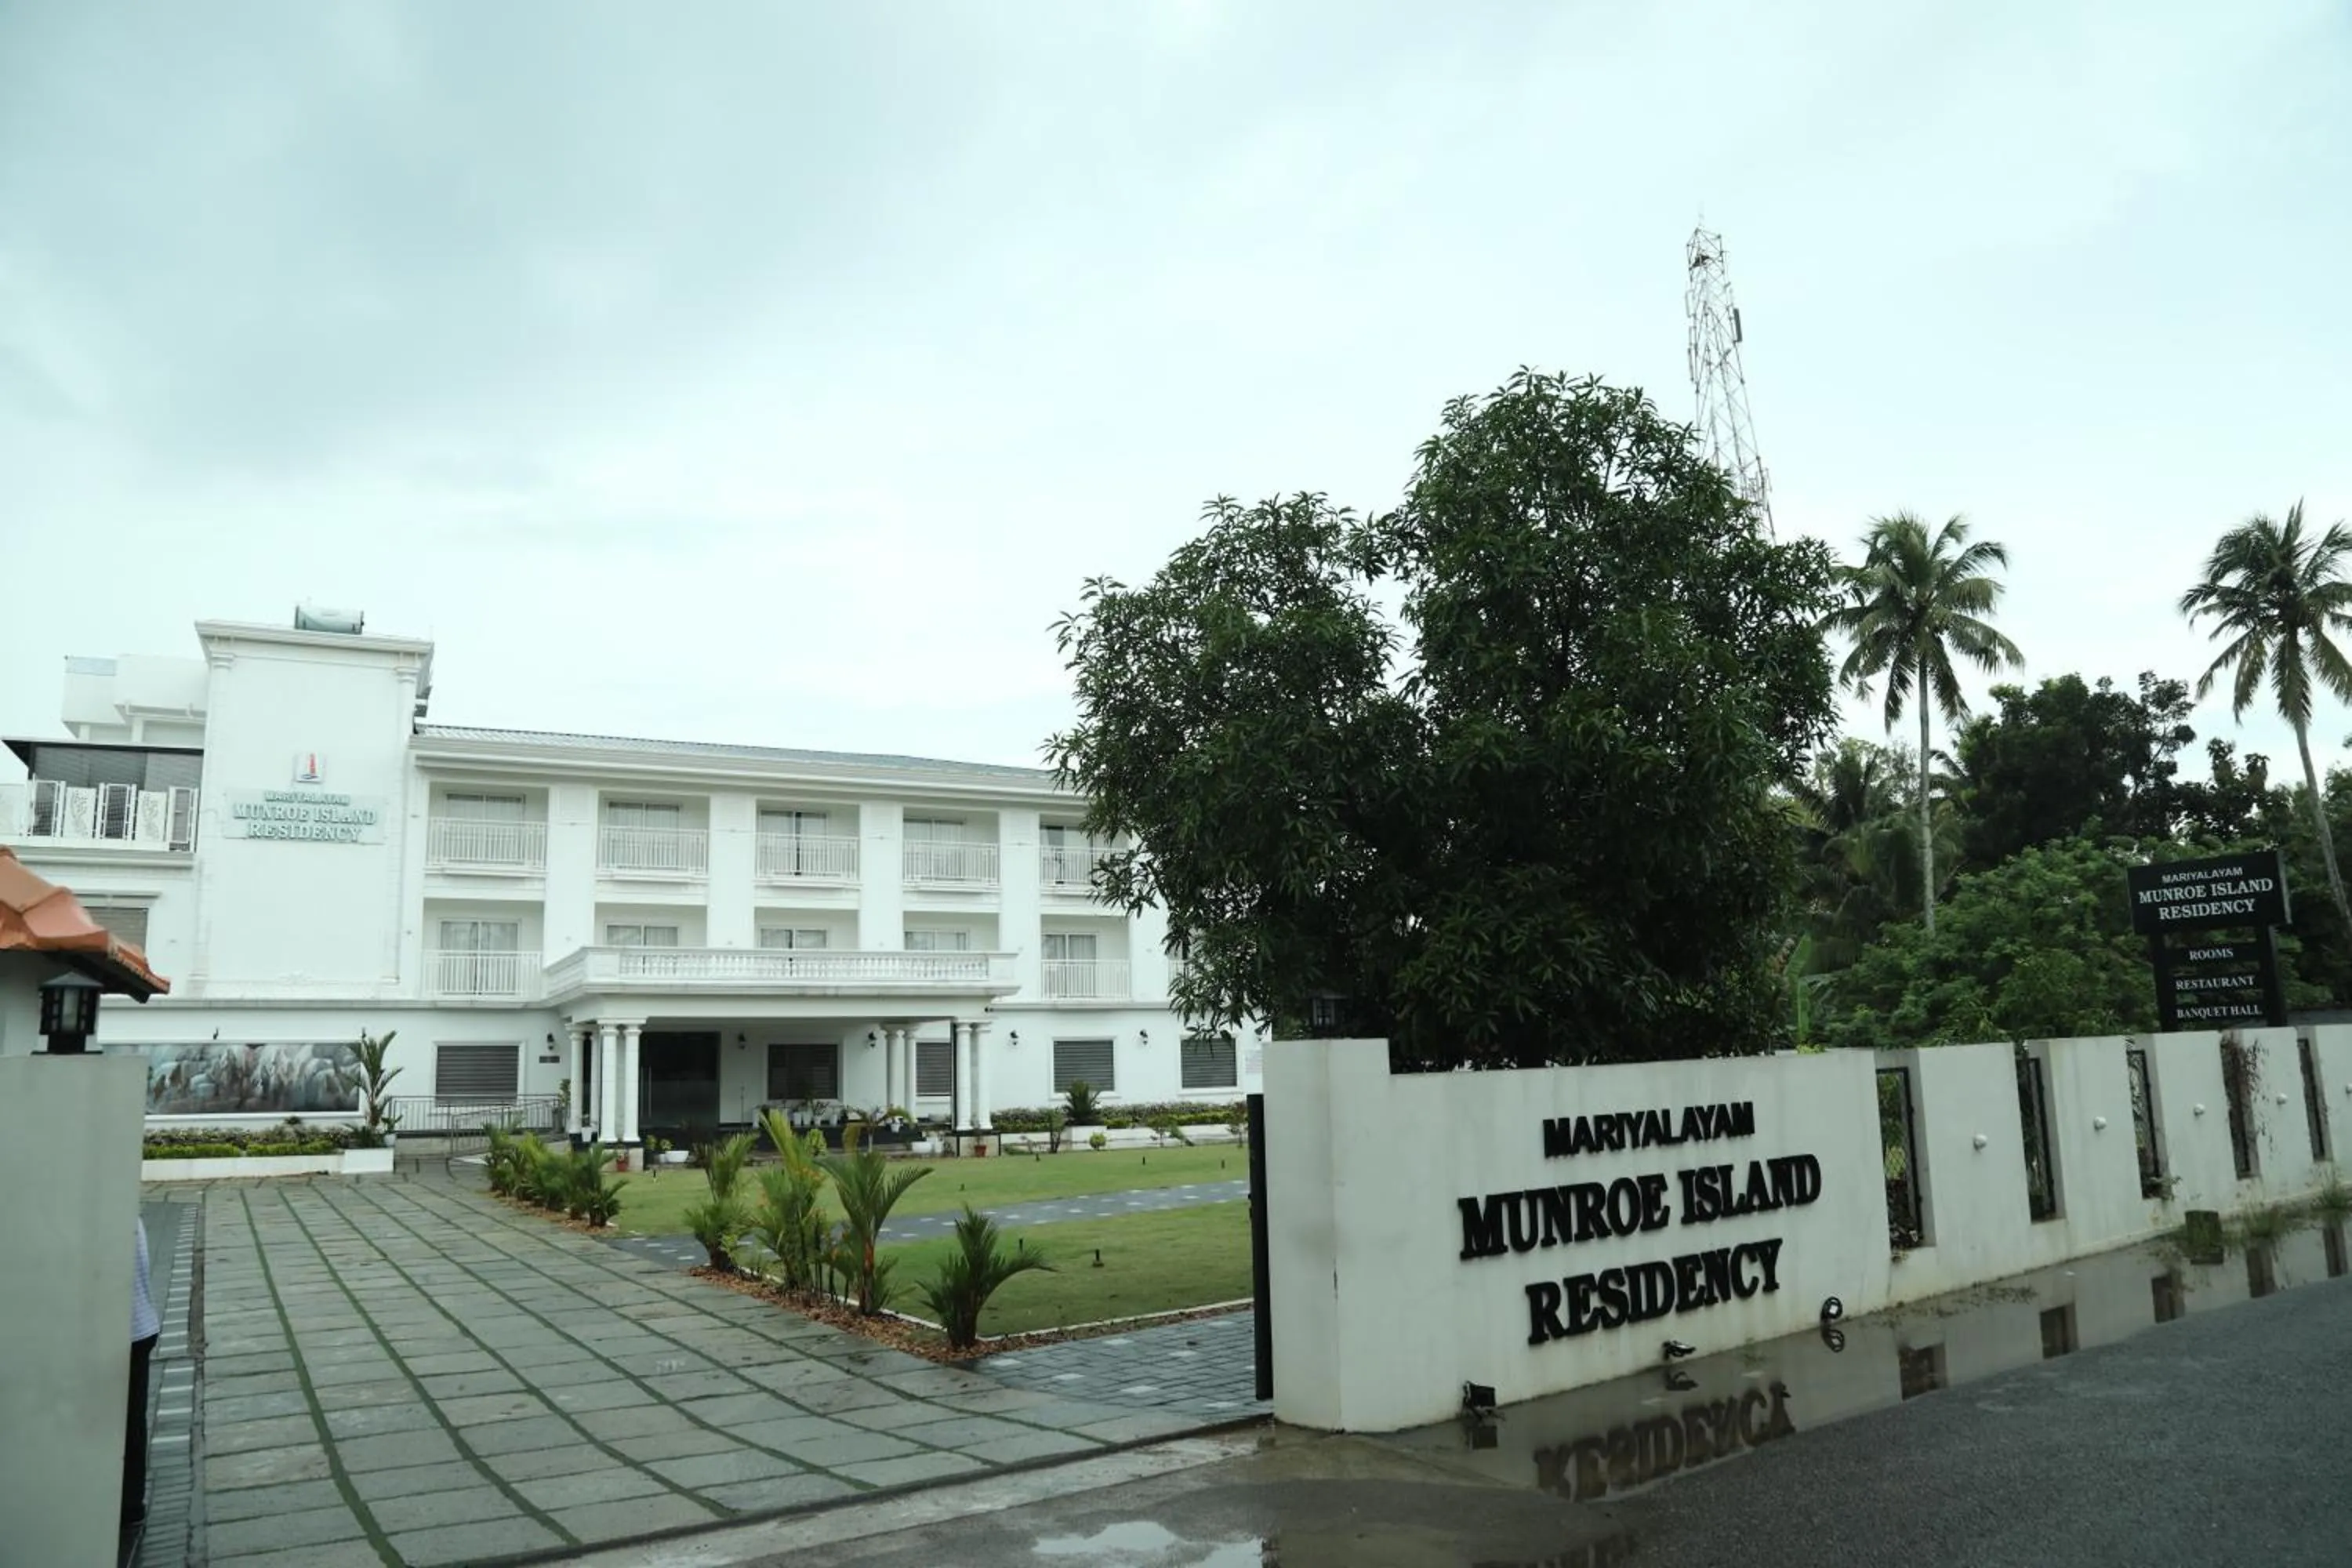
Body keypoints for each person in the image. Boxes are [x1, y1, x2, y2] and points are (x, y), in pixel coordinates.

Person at [124, 1216, 159, 1530]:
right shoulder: (128, 1214)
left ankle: (129, 1503)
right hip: (139, 1326)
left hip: (129, 1330)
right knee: (132, 1421)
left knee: (127, 1423)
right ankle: (130, 1504)